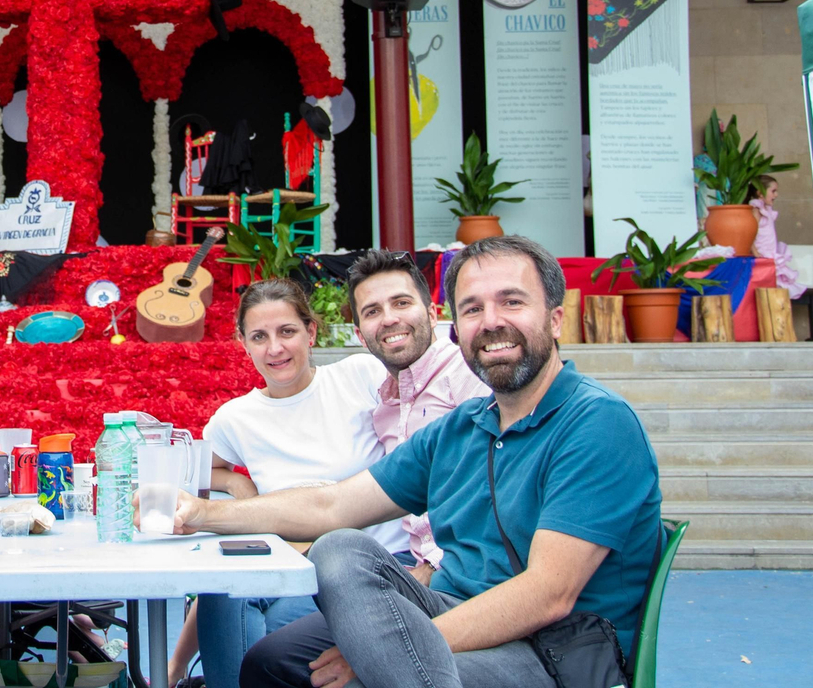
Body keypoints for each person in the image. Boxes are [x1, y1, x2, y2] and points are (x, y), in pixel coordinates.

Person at [160, 236, 663, 688]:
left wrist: (383, 651)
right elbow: (334, 505)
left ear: (555, 318)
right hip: (451, 604)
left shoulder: (596, 423)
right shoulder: (465, 425)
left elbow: (547, 595)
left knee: (367, 679)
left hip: (556, 647)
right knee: (324, 574)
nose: (491, 322)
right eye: (472, 309)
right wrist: (204, 513)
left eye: (512, 302)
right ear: (456, 325)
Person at [171, 278, 407, 688]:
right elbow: (187, 470)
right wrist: (239, 486)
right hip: (287, 564)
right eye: (259, 336)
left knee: (273, 634)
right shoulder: (237, 418)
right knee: (223, 593)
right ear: (243, 342)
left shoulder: (359, 376)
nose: (274, 349)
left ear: (311, 332)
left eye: (287, 332)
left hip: (368, 566)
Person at [345, 250, 489, 583]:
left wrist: (432, 567)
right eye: (372, 311)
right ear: (359, 334)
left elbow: (492, 491)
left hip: (467, 572)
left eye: (401, 303)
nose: (389, 318)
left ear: (433, 313)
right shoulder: (385, 409)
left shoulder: (468, 376)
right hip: (410, 562)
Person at [750, 174, 804, 299]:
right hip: (762, 255)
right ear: (760, 193)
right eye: (773, 191)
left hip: (770, 255)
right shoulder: (756, 210)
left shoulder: (765, 210)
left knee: (775, 288)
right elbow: (750, 233)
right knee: (767, 289)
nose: (776, 195)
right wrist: (754, 251)